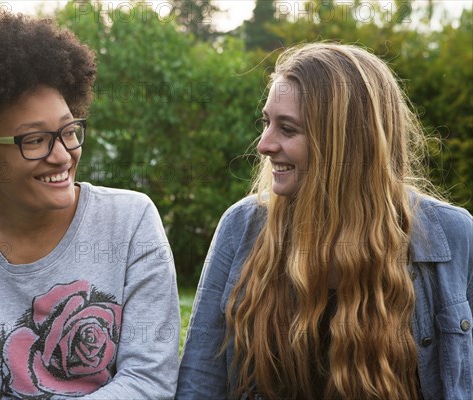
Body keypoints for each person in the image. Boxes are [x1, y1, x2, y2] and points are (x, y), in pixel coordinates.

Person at [0, 12, 180, 399]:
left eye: (69, 131)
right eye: (34, 141)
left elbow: (149, 381)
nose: (63, 155)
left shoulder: (130, 221)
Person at [176, 43, 472, 400]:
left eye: (287, 128)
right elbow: (200, 383)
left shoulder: (453, 236)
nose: (264, 144)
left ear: (346, 144)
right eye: (266, 122)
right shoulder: (242, 226)